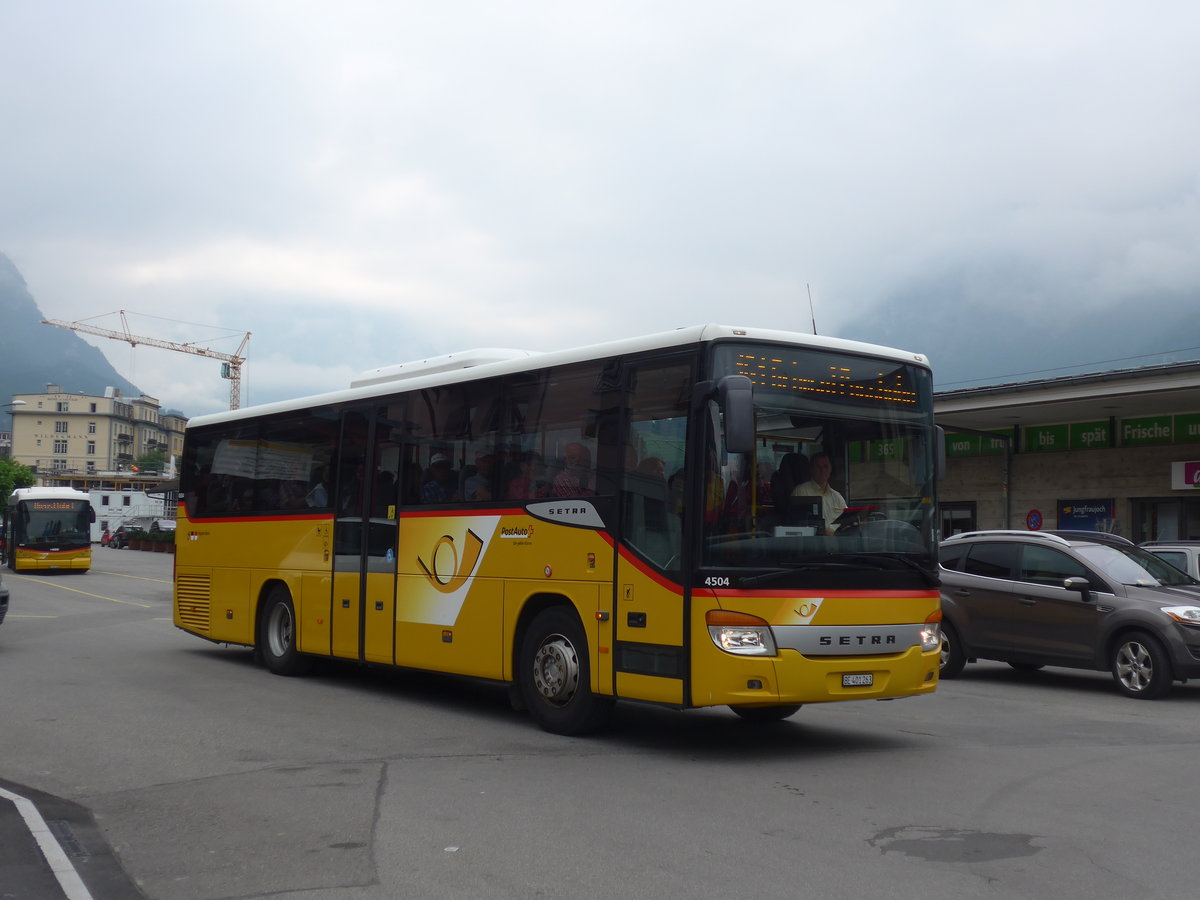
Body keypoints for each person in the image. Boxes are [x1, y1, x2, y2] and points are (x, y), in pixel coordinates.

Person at [791, 452, 847, 535]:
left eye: (825, 466)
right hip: (813, 544)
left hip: (838, 544)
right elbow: (796, 525)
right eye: (819, 467)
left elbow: (848, 520)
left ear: (830, 469)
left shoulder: (837, 497)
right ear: (811, 469)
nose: (823, 470)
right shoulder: (801, 491)